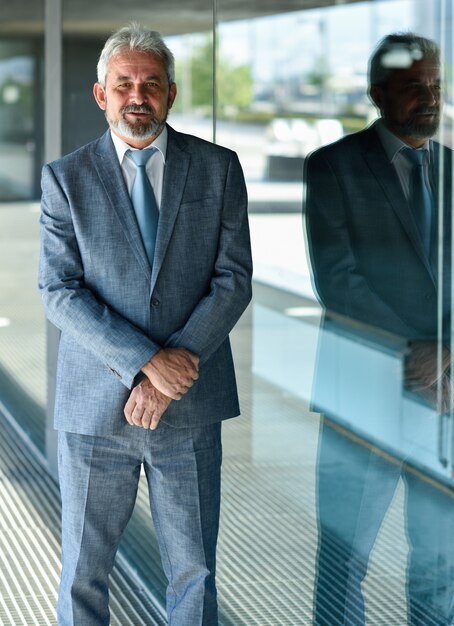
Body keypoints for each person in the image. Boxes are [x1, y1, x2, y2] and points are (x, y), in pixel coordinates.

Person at [38, 23, 252, 626]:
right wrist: (144, 363)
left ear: (171, 94)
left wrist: (168, 372)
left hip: (187, 405)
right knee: (83, 572)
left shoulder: (219, 169)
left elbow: (233, 280)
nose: (138, 95)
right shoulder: (66, 179)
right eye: (124, 83)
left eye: (151, 84)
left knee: (195, 574)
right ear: (100, 94)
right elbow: (59, 291)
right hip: (94, 410)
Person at [304, 33, 454, 625]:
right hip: (363, 392)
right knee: (345, 558)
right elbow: (338, 280)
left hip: (448, 398)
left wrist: (444, 354)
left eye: (435, 87)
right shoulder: (332, 167)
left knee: (440, 561)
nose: (428, 98)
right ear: (377, 94)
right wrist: (413, 354)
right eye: (412, 87)